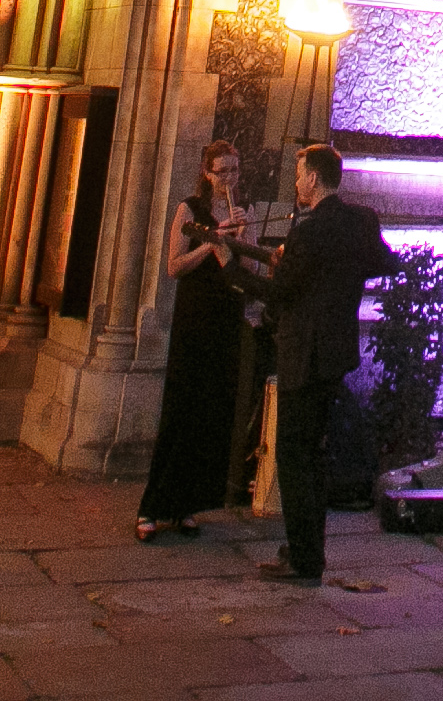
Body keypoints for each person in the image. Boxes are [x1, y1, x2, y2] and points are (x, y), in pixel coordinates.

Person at [232, 141, 388, 584]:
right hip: (336, 353)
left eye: (300, 174)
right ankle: (306, 552)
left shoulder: (309, 230)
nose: (297, 182)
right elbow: (382, 262)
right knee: (313, 458)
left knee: (293, 457)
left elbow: (279, 293)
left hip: (304, 354)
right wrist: (331, 275)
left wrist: (231, 267)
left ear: (315, 178)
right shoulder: (361, 220)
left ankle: (303, 560)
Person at [132, 139, 253, 543]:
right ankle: (152, 507)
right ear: (206, 172)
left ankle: (187, 506)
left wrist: (240, 237)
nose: (228, 180)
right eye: (221, 172)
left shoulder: (241, 211)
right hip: (193, 316)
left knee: (210, 412)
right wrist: (211, 241)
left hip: (225, 315)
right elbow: (173, 266)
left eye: (234, 171)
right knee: (181, 408)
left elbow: (247, 268)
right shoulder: (189, 209)